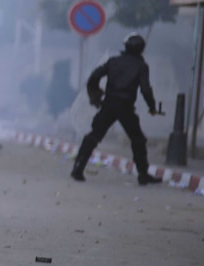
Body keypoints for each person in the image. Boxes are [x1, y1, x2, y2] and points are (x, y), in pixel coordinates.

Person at [70, 33, 163, 186]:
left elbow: (94, 76)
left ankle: (78, 168)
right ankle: (143, 175)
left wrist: (95, 94)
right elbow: (146, 89)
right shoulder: (141, 66)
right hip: (126, 106)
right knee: (138, 140)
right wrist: (152, 107)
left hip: (109, 104)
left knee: (93, 136)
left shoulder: (113, 61)